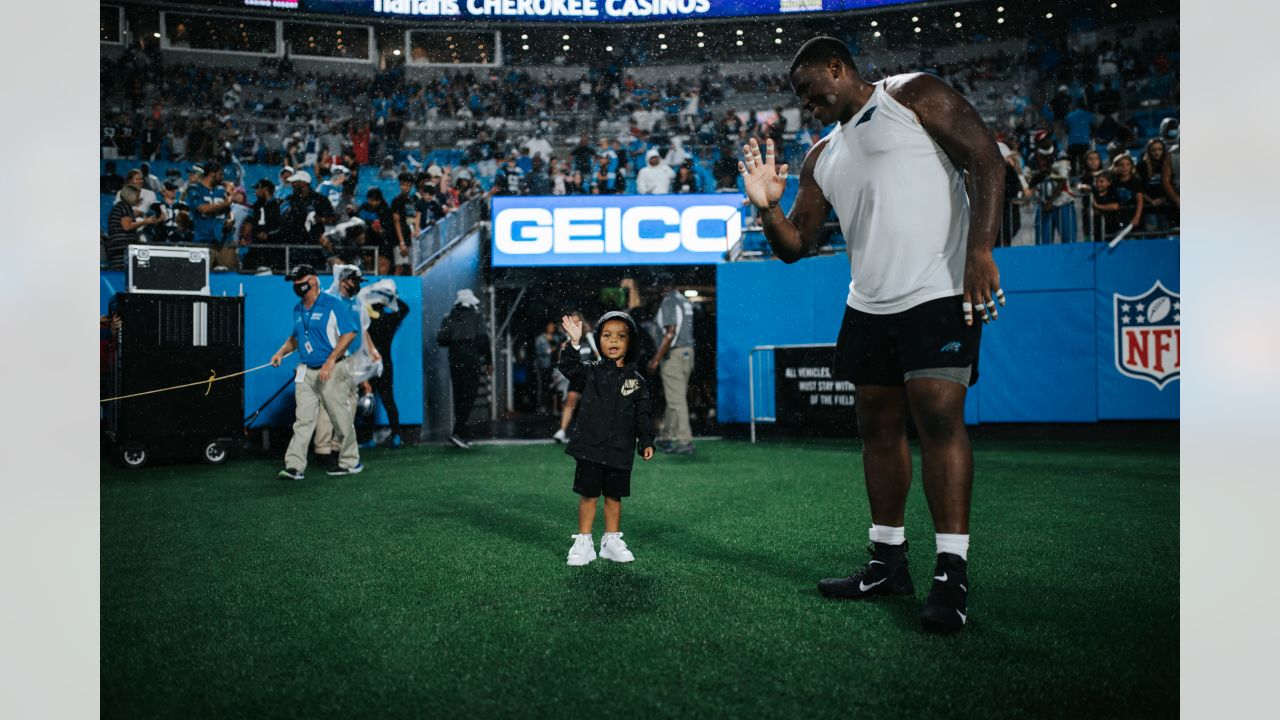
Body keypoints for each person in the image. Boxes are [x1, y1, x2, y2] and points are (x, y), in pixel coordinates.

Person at [742, 37, 1007, 634]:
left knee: (939, 414)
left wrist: (981, 249)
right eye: (800, 98)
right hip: (868, 303)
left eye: (811, 90)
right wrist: (767, 209)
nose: (806, 103)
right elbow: (795, 246)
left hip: (938, 289)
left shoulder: (914, 95)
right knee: (877, 428)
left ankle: (951, 571)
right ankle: (887, 562)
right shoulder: (820, 156)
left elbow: (986, 159)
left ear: (837, 67)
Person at [558, 311, 655, 566]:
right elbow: (568, 367)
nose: (613, 341)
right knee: (588, 495)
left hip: (620, 449)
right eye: (607, 335)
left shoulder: (637, 381)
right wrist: (575, 343)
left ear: (630, 342)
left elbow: (643, 414)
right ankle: (584, 541)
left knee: (614, 496)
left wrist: (646, 440)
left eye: (621, 336)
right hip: (589, 447)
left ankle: (611, 541)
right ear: (598, 340)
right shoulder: (590, 372)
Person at [269, 264, 363, 480]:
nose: (295, 284)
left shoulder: (332, 304)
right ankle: (294, 467)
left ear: (313, 280)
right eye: (293, 280)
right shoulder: (298, 309)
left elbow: (349, 333)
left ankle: (350, 461)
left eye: (299, 279)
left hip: (333, 370)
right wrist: (281, 352)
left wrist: (331, 361)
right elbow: (295, 338)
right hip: (306, 371)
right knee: (302, 420)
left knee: (340, 417)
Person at [313, 265, 381, 469]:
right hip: (333, 359)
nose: (358, 285)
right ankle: (323, 450)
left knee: (350, 401)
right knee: (328, 403)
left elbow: (363, 330)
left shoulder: (357, 302)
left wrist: (372, 351)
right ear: (343, 280)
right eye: (355, 280)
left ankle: (338, 446)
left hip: (352, 360)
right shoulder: (326, 300)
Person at [437, 289, 491, 449]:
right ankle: (458, 432)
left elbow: (441, 339)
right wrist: (488, 359)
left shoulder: (449, 317)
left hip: (455, 358)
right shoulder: (476, 316)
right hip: (471, 358)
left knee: (459, 395)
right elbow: (483, 339)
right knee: (469, 395)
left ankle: (463, 433)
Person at [648, 282, 695, 454]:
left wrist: (656, 359)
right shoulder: (684, 300)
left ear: (663, 288)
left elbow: (670, 332)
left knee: (676, 400)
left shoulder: (668, 301)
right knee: (676, 396)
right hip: (688, 352)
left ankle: (685, 441)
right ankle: (666, 437)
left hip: (673, 354)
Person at [361, 280, 409, 448]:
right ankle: (396, 435)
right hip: (385, 364)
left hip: (368, 364)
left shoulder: (365, 321)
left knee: (368, 400)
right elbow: (405, 309)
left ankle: (368, 439)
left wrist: (376, 292)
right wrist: (391, 297)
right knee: (388, 399)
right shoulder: (389, 319)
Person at [552, 311, 600, 444]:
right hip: (576, 376)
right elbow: (563, 362)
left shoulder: (590, 338)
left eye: (576, 321)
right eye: (571, 322)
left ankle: (595, 433)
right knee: (570, 400)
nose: (574, 324)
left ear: (582, 323)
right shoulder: (568, 340)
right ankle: (562, 431)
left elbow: (599, 355)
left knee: (593, 405)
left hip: (591, 376)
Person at [186, 161, 238, 269]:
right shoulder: (195, 189)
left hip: (224, 241)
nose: (222, 177)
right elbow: (202, 208)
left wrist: (231, 220)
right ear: (212, 174)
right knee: (201, 278)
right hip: (203, 241)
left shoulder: (220, 190)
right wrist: (226, 203)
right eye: (220, 174)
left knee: (228, 277)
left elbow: (229, 211)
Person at [278, 169, 335, 270]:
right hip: (294, 246)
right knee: (294, 276)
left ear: (303, 183)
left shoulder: (320, 199)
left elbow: (332, 219)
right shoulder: (290, 199)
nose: (292, 184)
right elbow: (283, 220)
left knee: (316, 276)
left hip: (315, 247)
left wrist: (319, 219)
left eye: (295, 182)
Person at [105, 185, 161, 269]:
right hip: (121, 249)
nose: (139, 198)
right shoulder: (125, 207)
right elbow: (127, 227)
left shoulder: (120, 206)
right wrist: (146, 221)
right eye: (137, 195)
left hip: (117, 248)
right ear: (131, 196)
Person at [390, 173, 417, 276]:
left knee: (410, 267)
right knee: (399, 267)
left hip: (410, 238)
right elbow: (396, 221)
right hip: (400, 239)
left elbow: (411, 220)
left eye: (408, 185)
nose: (406, 187)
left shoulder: (411, 201)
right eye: (404, 184)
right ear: (400, 185)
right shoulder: (396, 201)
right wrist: (401, 242)